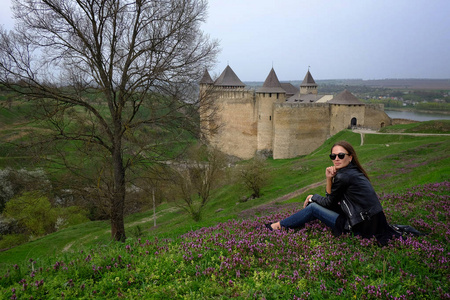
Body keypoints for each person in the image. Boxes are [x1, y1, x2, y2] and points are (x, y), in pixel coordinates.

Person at [266, 140, 401, 246]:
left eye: (341, 155)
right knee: (315, 204)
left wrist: (313, 197)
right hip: (369, 222)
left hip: (358, 226)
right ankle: (292, 224)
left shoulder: (344, 176)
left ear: (350, 157)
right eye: (333, 156)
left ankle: (277, 226)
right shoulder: (354, 172)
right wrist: (329, 179)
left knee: (313, 208)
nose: (336, 159)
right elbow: (332, 200)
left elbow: (329, 203)